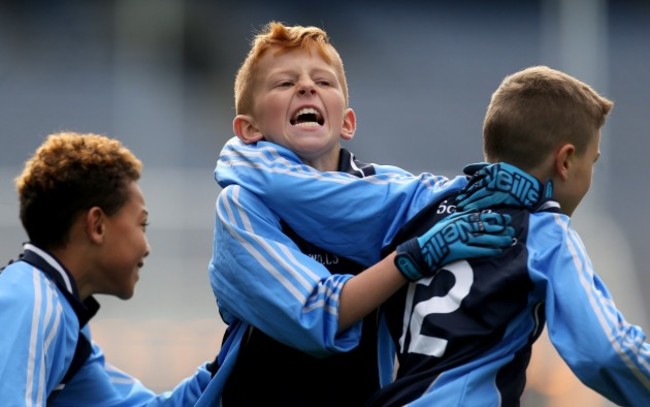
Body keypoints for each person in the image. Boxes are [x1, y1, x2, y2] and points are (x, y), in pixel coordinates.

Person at [212, 65, 650, 406]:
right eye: (594, 161)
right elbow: (605, 352)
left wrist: (240, 157)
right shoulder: (545, 231)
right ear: (566, 161)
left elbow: (322, 196)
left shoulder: (420, 202)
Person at [196, 21, 540, 406]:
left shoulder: (393, 193)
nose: (307, 87)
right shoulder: (241, 205)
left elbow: (444, 202)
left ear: (347, 122)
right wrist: (411, 258)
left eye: (324, 82)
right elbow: (314, 316)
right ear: (249, 129)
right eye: (284, 83)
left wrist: (495, 191)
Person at [0, 132, 216, 405]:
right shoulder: (31, 303)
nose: (147, 246)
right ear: (97, 225)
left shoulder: (63, 316)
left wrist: (232, 361)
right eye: (142, 225)